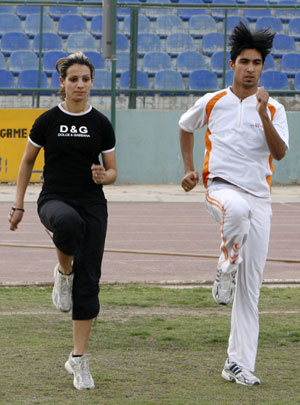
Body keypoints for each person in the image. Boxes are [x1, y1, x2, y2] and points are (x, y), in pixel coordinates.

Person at [179, 22, 289, 386]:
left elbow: (280, 153)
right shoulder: (212, 101)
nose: (250, 68)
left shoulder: (273, 108)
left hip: (261, 199)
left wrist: (261, 114)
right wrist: (190, 169)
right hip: (221, 189)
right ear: (232, 65)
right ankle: (225, 266)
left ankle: (237, 364)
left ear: (263, 67)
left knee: (251, 288)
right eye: (244, 61)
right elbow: (185, 126)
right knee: (236, 211)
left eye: (257, 62)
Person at [8, 51, 117, 391]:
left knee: (91, 279)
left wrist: (104, 175)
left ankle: (79, 360)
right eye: (74, 79)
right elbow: (26, 163)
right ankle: (63, 273)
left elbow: (113, 171)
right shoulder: (47, 121)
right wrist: (19, 205)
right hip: (54, 200)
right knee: (68, 225)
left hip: (92, 203)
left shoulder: (101, 123)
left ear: (91, 83)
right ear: (63, 83)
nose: (80, 84)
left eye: (85, 79)